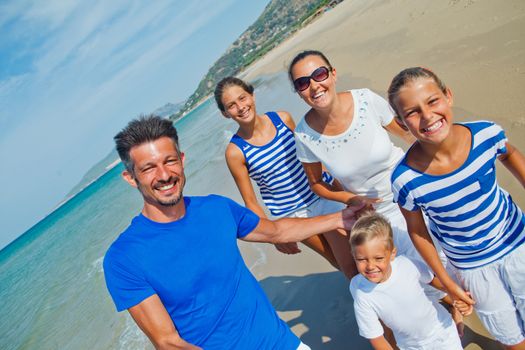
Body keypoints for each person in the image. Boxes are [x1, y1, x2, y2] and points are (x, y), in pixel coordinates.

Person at [103, 115, 362, 350]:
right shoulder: (124, 258)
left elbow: (276, 231)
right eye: (149, 168)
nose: (164, 175)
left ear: (181, 161)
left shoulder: (216, 208)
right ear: (130, 177)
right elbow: (167, 342)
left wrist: (339, 217)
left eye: (169, 161)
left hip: (283, 343)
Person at [388, 67, 525, 349]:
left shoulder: (486, 134)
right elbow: (418, 232)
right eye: (412, 113)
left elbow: (509, 153)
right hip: (473, 267)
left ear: (448, 96)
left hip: (517, 242)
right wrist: (447, 282)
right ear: (402, 124)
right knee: (512, 340)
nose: (427, 116)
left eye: (432, 101)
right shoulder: (405, 180)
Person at [288, 49, 422, 274]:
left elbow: (409, 135)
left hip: (412, 189)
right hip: (376, 213)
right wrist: (350, 198)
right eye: (302, 83)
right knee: (413, 273)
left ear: (333, 74)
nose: (314, 86)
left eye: (319, 74)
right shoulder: (303, 135)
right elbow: (317, 184)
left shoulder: (366, 99)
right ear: (299, 92)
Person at [214, 76, 351, 275]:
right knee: (336, 261)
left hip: (321, 196)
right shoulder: (235, 152)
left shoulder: (283, 119)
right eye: (232, 105)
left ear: (252, 95)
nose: (241, 107)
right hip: (291, 215)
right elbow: (251, 201)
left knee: (348, 257)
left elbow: (312, 160)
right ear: (226, 113)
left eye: (242, 98)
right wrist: (272, 236)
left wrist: (343, 190)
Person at [349, 212, 466, 350]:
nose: (370, 266)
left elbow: (431, 280)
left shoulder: (406, 264)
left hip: (443, 331)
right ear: (353, 255)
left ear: (392, 253)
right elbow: (376, 338)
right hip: (411, 346)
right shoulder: (361, 293)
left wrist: (456, 294)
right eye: (362, 259)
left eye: (378, 258)